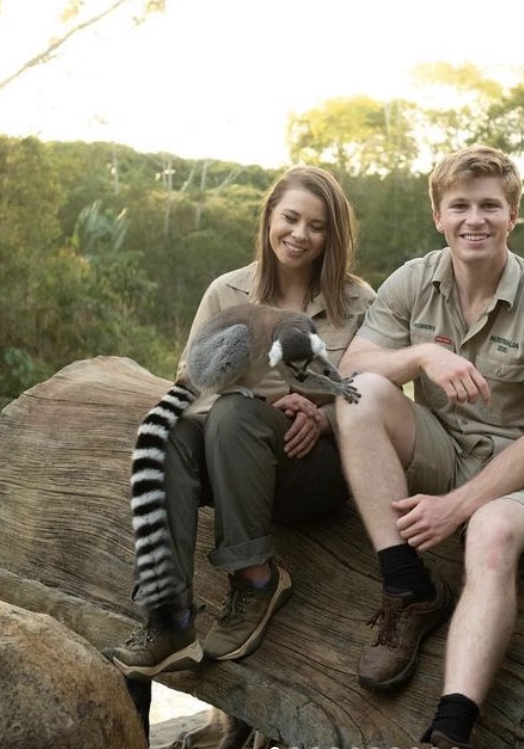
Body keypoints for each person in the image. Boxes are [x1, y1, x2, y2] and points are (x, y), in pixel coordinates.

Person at [334, 145, 524, 749]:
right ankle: (407, 585)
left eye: (490, 206)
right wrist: (422, 354)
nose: (476, 219)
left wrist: (458, 508)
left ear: (513, 214)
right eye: (461, 206)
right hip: (441, 445)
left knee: (490, 534)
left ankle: (450, 728)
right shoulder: (413, 282)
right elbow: (353, 366)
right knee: (361, 392)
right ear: (438, 216)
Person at [104, 165, 376, 677]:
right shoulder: (226, 292)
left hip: (312, 471)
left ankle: (255, 580)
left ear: (332, 235)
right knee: (170, 437)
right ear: (270, 215)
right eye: (290, 218)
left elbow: (379, 399)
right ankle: (170, 617)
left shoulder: (359, 302)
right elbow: (191, 384)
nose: (299, 235)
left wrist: (321, 417)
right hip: (233, 456)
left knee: (235, 413)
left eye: (316, 226)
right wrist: (267, 403)